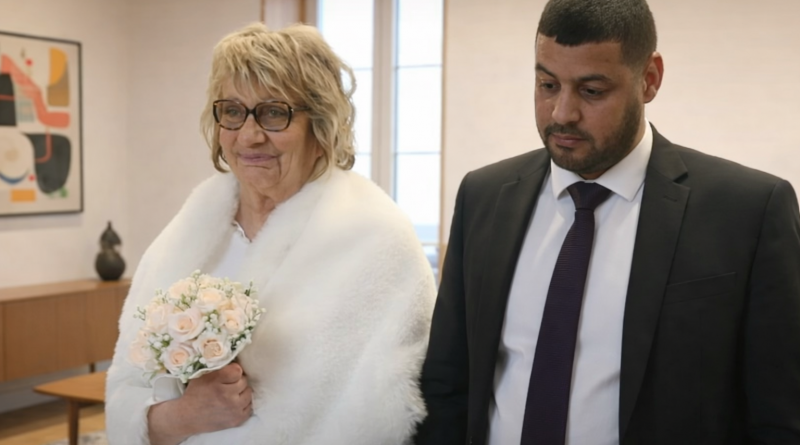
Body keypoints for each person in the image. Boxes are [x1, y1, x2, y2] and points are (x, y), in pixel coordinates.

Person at [415, 0, 800, 444]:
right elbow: (446, 386)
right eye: (546, 84)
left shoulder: (746, 211)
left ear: (649, 79)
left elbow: (780, 415)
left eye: (592, 91)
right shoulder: (485, 197)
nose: (562, 113)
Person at [106, 22, 436, 445]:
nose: (249, 135)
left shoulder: (376, 239)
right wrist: (181, 417)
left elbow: (373, 417)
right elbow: (126, 391)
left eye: (274, 113)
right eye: (232, 111)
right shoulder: (184, 236)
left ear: (321, 124)